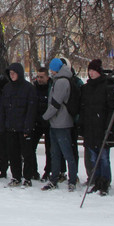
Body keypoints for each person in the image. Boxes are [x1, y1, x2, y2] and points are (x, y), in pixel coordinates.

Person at [78, 59, 114, 195]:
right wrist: (81, 125)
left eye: (94, 70)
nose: (91, 73)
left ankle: (105, 182)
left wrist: (109, 127)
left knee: (104, 157)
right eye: (89, 71)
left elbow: (112, 108)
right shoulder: (86, 88)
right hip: (90, 127)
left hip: (102, 127)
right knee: (94, 157)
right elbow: (82, 108)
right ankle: (96, 180)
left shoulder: (107, 87)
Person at [41, 57, 78, 192]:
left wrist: (45, 117)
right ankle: (54, 178)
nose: (50, 71)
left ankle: (72, 179)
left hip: (62, 122)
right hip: (56, 122)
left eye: (51, 69)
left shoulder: (62, 81)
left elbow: (55, 103)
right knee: (54, 153)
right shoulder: (59, 80)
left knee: (66, 153)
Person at [0, 62, 37, 187]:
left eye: (14, 73)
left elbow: (31, 109)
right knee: (13, 154)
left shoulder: (28, 88)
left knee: (27, 154)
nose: (12, 75)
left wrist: (28, 126)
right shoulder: (7, 88)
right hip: (10, 127)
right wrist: (3, 124)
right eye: (10, 74)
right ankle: (16, 176)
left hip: (24, 127)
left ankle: (27, 177)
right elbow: (3, 108)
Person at [31, 66, 53, 181]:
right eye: (38, 77)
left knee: (49, 149)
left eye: (42, 77)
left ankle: (48, 171)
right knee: (31, 147)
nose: (39, 79)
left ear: (47, 77)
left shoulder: (51, 87)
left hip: (49, 121)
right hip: (36, 121)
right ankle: (33, 171)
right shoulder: (34, 88)